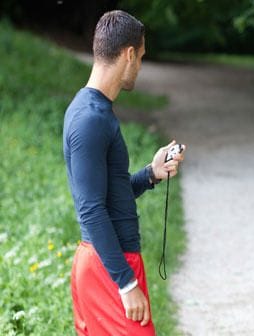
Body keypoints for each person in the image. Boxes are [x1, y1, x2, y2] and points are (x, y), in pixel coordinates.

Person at [63, 10, 185, 335]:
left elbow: (106, 192)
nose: (140, 67)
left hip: (108, 262)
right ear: (129, 54)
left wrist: (151, 174)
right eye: (142, 57)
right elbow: (90, 210)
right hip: (109, 266)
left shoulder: (94, 111)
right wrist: (125, 282)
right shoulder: (90, 118)